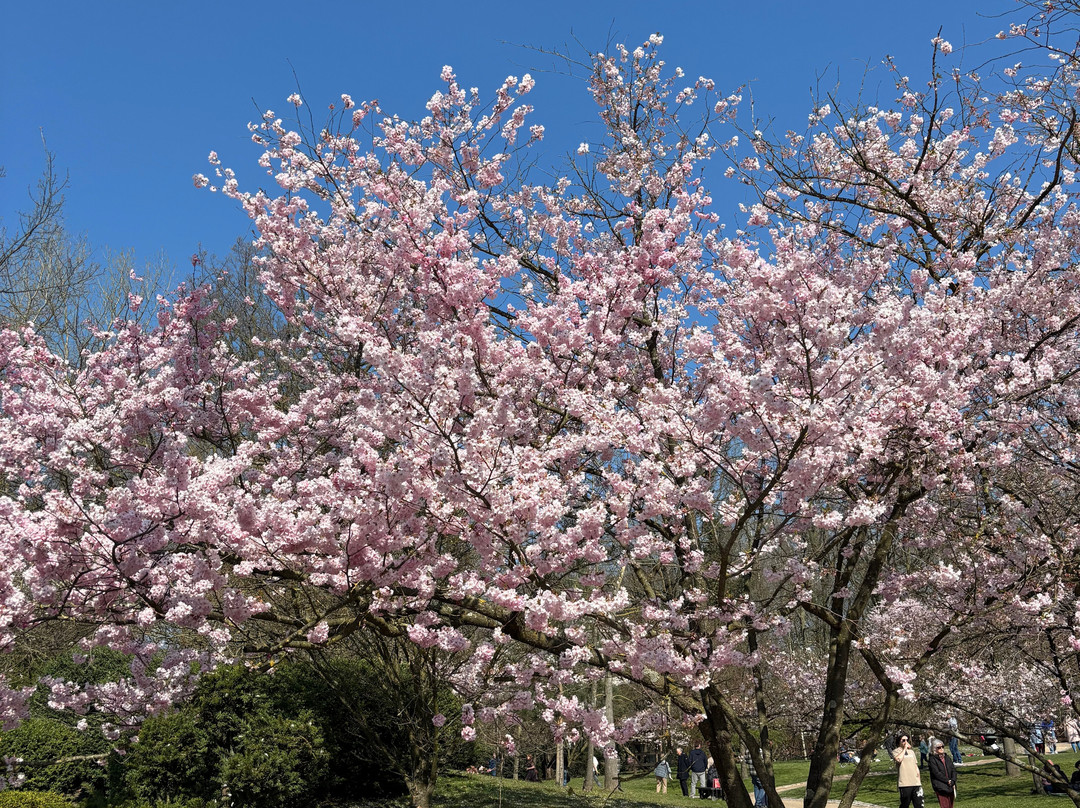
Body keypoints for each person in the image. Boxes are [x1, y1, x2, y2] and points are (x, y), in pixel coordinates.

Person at [892, 734, 922, 808]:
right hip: (905, 783)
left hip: (915, 782)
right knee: (905, 804)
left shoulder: (911, 752)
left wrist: (919, 780)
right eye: (903, 740)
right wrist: (904, 749)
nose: (905, 742)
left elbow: (915, 765)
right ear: (899, 741)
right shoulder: (896, 751)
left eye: (906, 740)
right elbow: (899, 759)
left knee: (919, 805)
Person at [928, 739, 957, 808]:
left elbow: (953, 770)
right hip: (941, 786)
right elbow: (936, 773)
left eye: (942, 746)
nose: (941, 748)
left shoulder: (947, 758)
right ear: (934, 749)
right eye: (939, 747)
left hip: (950, 786)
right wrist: (947, 780)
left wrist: (953, 780)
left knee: (951, 806)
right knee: (945, 806)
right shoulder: (932, 759)